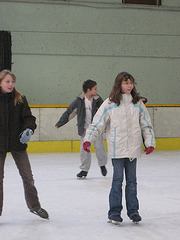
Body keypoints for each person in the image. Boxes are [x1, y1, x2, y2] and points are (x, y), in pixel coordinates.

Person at [83, 72, 156, 223]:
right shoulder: (110, 103)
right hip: (117, 149)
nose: (129, 86)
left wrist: (149, 143)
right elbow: (98, 123)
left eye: (131, 83)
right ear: (119, 85)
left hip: (133, 149)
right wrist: (88, 139)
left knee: (132, 181)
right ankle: (114, 212)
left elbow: (146, 124)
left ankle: (133, 211)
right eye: (126, 83)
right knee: (117, 181)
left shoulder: (137, 103)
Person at [0, 70, 49, 219]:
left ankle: (35, 206)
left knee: (28, 177)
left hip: (18, 144)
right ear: (0, 82)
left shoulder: (20, 99)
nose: (11, 85)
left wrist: (29, 129)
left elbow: (29, 118)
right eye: (7, 81)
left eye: (12, 82)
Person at [55, 79, 107, 179]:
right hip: (84, 130)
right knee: (84, 149)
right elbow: (69, 112)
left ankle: (102, 164)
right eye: (95, 89)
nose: (96, 90)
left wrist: (105, 125)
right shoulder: (79, 101)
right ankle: (84, 170)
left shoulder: (98, 100)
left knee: (99, 147)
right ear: (88, 90)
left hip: (96, 129)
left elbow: (105, 113)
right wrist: (60, 123)